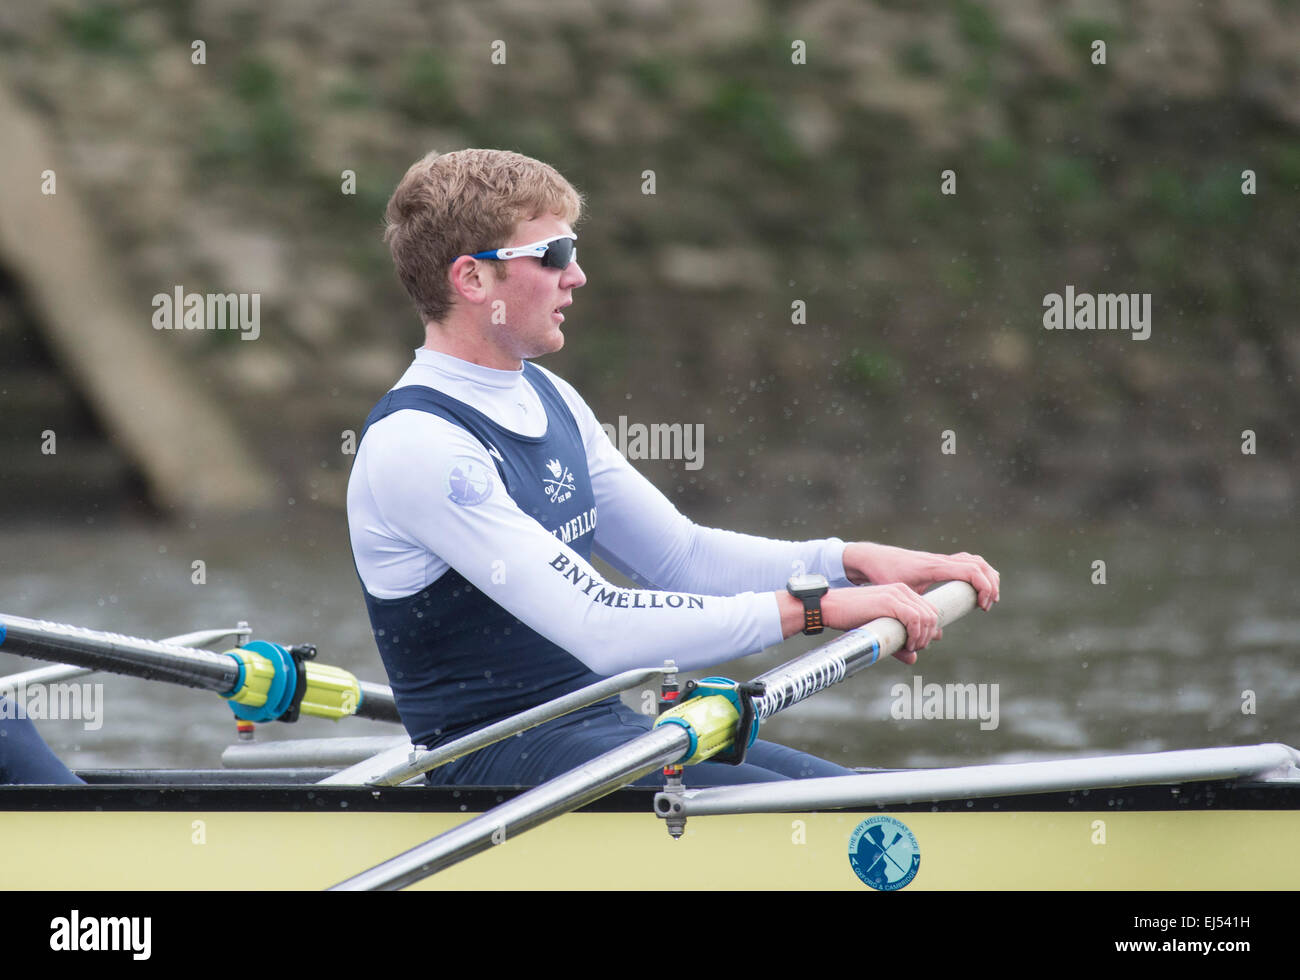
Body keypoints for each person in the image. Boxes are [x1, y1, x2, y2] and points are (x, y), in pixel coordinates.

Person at [347, 148, 999, 787]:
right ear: (472, 279)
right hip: (496, 768)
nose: (577, 276)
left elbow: (681, 558)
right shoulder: (420, 446)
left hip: (606, 734)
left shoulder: (550, 399)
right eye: (555, 256)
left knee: (857, 799)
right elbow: (598, 625)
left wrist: (848, 562)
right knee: (850, 830)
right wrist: (817, 608)